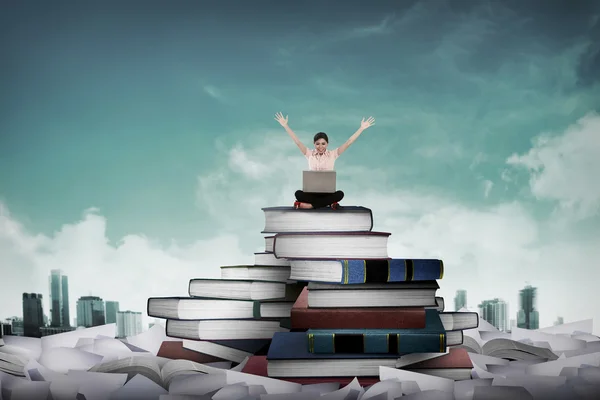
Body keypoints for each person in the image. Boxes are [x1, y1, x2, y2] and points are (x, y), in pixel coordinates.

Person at [274, 112, 376, 209]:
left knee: (340, 194)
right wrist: (285, 126)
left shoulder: (333, 154)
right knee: (298, 193)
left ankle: (311, 206)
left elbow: (348, 142)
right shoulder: (309, 154)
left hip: (327, 193)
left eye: (323, 143)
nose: (320, 146)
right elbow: (297, 141)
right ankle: (328, 204)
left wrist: (361, 128)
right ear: (314, 144)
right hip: (312, 193)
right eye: (317, 143)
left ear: (327, 144)